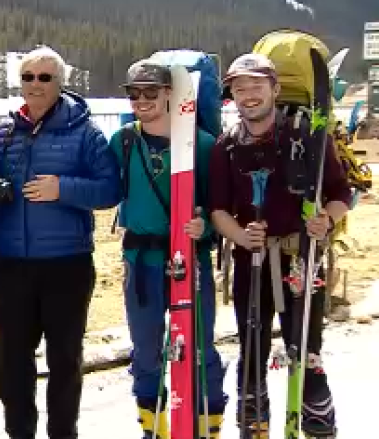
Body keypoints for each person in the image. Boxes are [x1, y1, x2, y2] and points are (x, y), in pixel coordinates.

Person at [210, 53, 349, 438]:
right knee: (251, 349)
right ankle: (254, 425)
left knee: (306, 349)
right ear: (232, 96)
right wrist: (239, 236)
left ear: (274, 88)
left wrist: (326, 220)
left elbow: (340, 192)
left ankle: (318, 425)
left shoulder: (305, 137)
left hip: (300, 259)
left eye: (256, 85)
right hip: (249, 260)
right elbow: (219, 210)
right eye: (240, 88)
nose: (249, 95)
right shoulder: (226, 147)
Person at [0, 45, 120, 439]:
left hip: (67, 263)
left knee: (64, 359)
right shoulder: (6, 132)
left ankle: (64, 433)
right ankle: (19, 432)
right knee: (12, 360)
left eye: (45, 77)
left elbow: (110, 189)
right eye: (27, 77)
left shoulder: (87, 133)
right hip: (12, 262)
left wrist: (62, 188)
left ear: (61, 83)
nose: (35, 84)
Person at [109, 59, 227, 439]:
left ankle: (208, 425)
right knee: (145, 348)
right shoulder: (123, 141)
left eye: (151, 92)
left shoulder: (204, 145)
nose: (142, 100)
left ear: (169, 94)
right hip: (140, 261)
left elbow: (220, 204)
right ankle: (153, 426)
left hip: (190, 260)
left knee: (199, 344)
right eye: (134, 93)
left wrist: (204, 224)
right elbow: (105, 188)